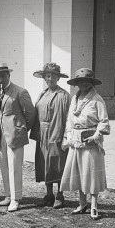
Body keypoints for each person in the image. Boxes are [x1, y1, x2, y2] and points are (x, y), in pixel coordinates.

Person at [61, 68, 111, 220]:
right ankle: (82, 203)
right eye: (80, 81)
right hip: (76, 141)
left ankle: (94, 205)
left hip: (91, 142)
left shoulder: (97, 99)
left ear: (91, 82)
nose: (83, 83)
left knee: (91, 174)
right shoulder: (74, 99)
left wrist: (96, 135)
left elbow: (104, 122)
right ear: (76, 84)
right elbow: (69, 120)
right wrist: (68, 135)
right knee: (79, 172)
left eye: (86, 81)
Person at [0, 62, 36, 212]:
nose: (0, 79)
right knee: (4, 165)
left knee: (15, 167)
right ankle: (8, 195)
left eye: (3, 75)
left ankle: (16, 199)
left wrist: (22, 129)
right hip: (0, 134)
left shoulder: (20, 92)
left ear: (9, 75)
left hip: (15, 135)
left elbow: (30, 114)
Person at [30, 63, 71, 209]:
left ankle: (60, 195)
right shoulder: (42, 94)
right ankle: (49, 194)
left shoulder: (64, 96)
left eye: (53, 76)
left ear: (58, 78)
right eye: (47, 76)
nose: (50, 78)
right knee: (44, 165)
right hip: (43, 135)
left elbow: (68, 118)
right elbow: (36, 114)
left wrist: (66, 136)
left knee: (57, 165)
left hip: (56, 135)